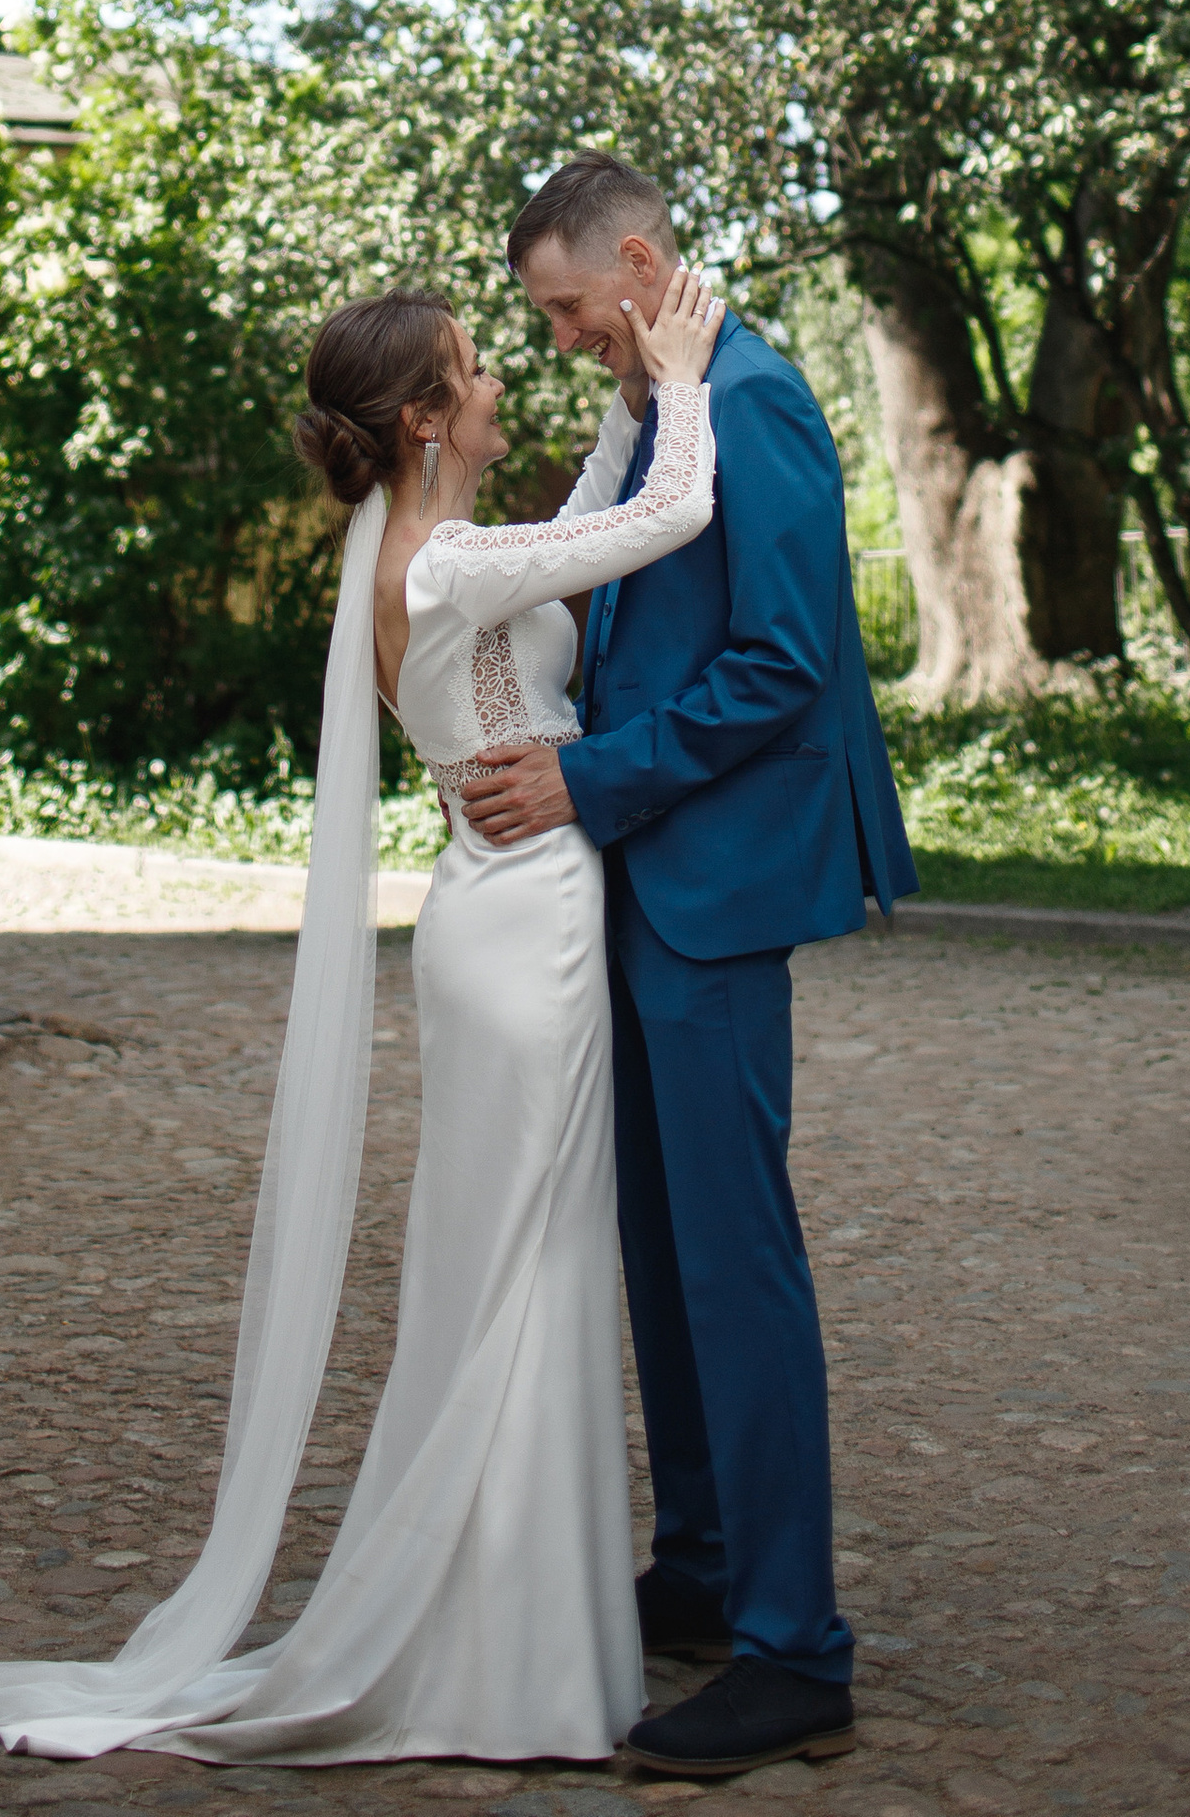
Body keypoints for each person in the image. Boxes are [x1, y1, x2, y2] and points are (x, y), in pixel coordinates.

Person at [0, 263, 732, 1766]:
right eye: (477, 365)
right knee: (522, 1277)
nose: (500, 379)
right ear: (423, 416)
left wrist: (628, 400)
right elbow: (663, 522)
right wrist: (695, 387)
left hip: (504, 920)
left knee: (519, 1276)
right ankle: (502, 1655)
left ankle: (522, 1633)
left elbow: (586, 521)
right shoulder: (442, 566)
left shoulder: (442, 543)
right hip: (526, 941)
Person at [469, 152, 918, 1780]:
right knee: (659, 1246)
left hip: (717, 882)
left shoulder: (759, 395)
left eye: (573, 308)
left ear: (642, 262)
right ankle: (713, 1563)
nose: (566, 339)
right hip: (644, 879)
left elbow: (788, 666)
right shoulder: (655, 407)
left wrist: (588, 781)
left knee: (735, 1258)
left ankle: (798, 1649)